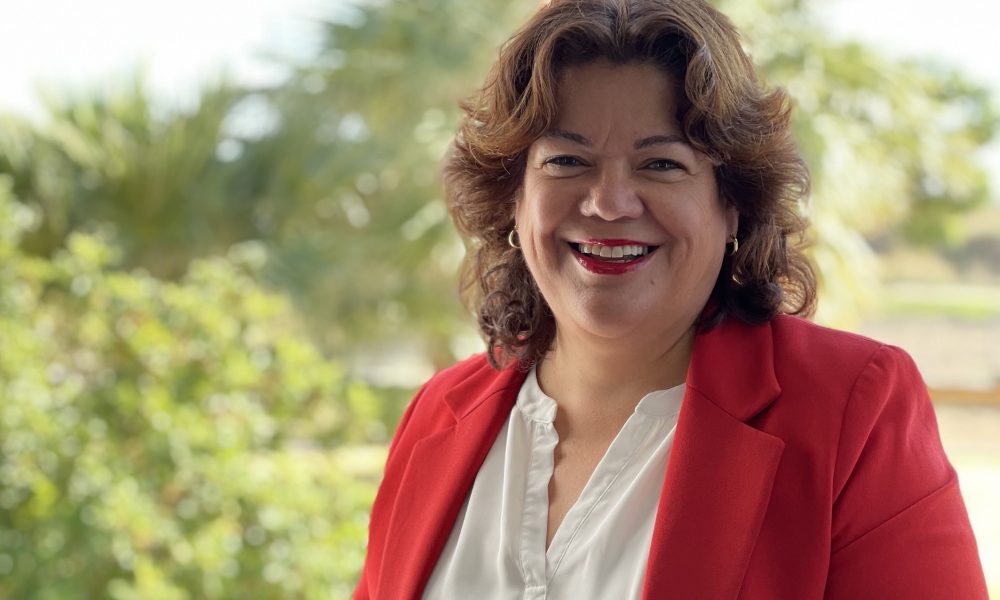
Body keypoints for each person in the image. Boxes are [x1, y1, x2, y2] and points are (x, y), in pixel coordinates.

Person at [354, 0, 988, 598]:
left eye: (661, 164)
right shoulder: (437, 415)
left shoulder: (851, 408)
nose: (608, 203)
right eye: (567, 160)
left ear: (732, 204)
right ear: (514, 200)